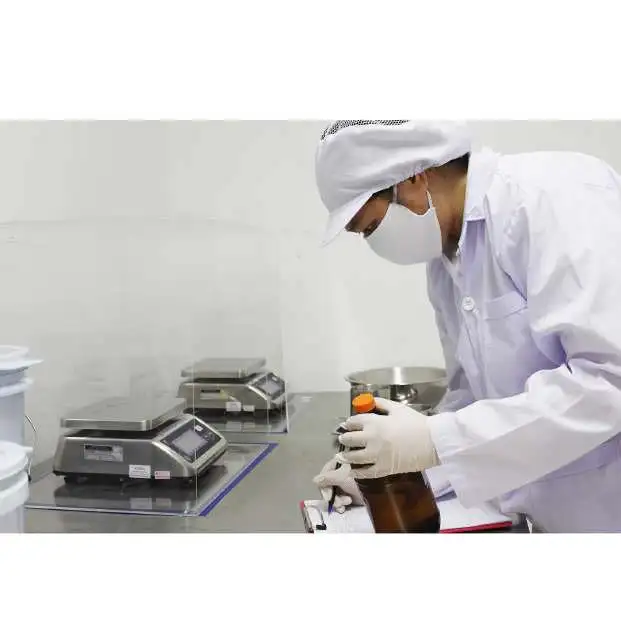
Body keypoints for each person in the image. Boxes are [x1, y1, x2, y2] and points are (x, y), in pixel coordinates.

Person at [312, 120, 621, 533]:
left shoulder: (555, 198)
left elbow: (608, 380)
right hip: (540, 515)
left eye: (369, 227)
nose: (372, 241)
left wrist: (434, 440)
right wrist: (398, 467)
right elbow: (474, 402)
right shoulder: (445, 261)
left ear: (412, 179)